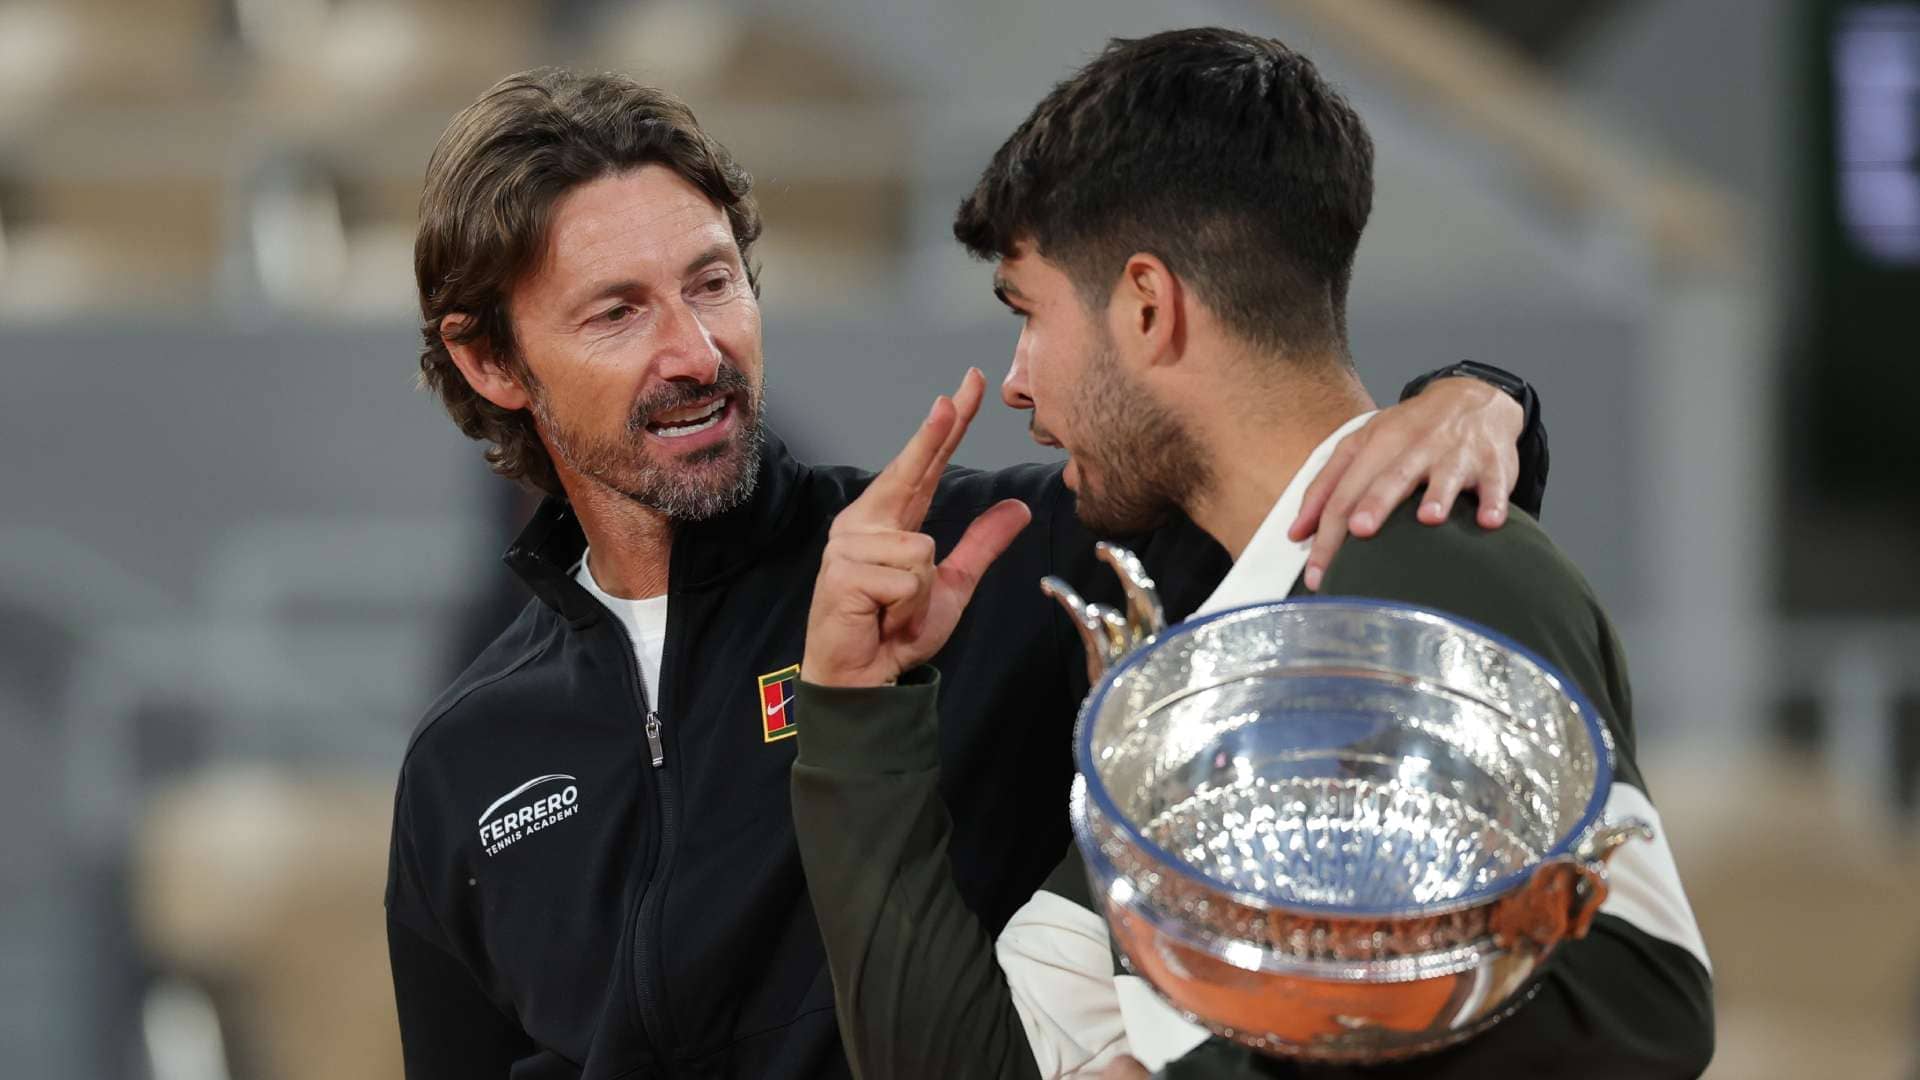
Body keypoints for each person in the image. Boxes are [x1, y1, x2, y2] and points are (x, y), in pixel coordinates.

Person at [384, 66, 1550, 1079]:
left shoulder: (976, 557)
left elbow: (1306, 491)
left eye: (712, 281)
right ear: (491, 360)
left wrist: (1475, 397)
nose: (695, 352)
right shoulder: (461, 764)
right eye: (617, 313)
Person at [791, 28, 1713, 1080]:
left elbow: (1641, 1020)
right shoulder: (1201, 660)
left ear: (1148, 305)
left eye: (1028, 314)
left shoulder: (1423, 572)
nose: (1015, 380)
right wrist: (856, 717)